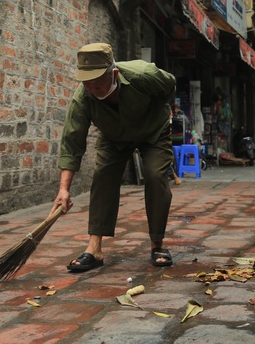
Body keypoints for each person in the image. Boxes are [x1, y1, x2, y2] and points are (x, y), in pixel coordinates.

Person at [52, 42, 177, 272]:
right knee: (102, 177)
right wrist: (64, 189)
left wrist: (160, 112)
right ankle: (94, 249)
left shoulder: (144, 75)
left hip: (153, 132)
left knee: (154, 175)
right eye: (87, 83)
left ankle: (157, 244)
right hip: (114, 137)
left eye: (98, 82)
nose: (93, 88)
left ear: (115, 74)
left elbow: (169, 86)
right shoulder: (83, 97)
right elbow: (72, 143)